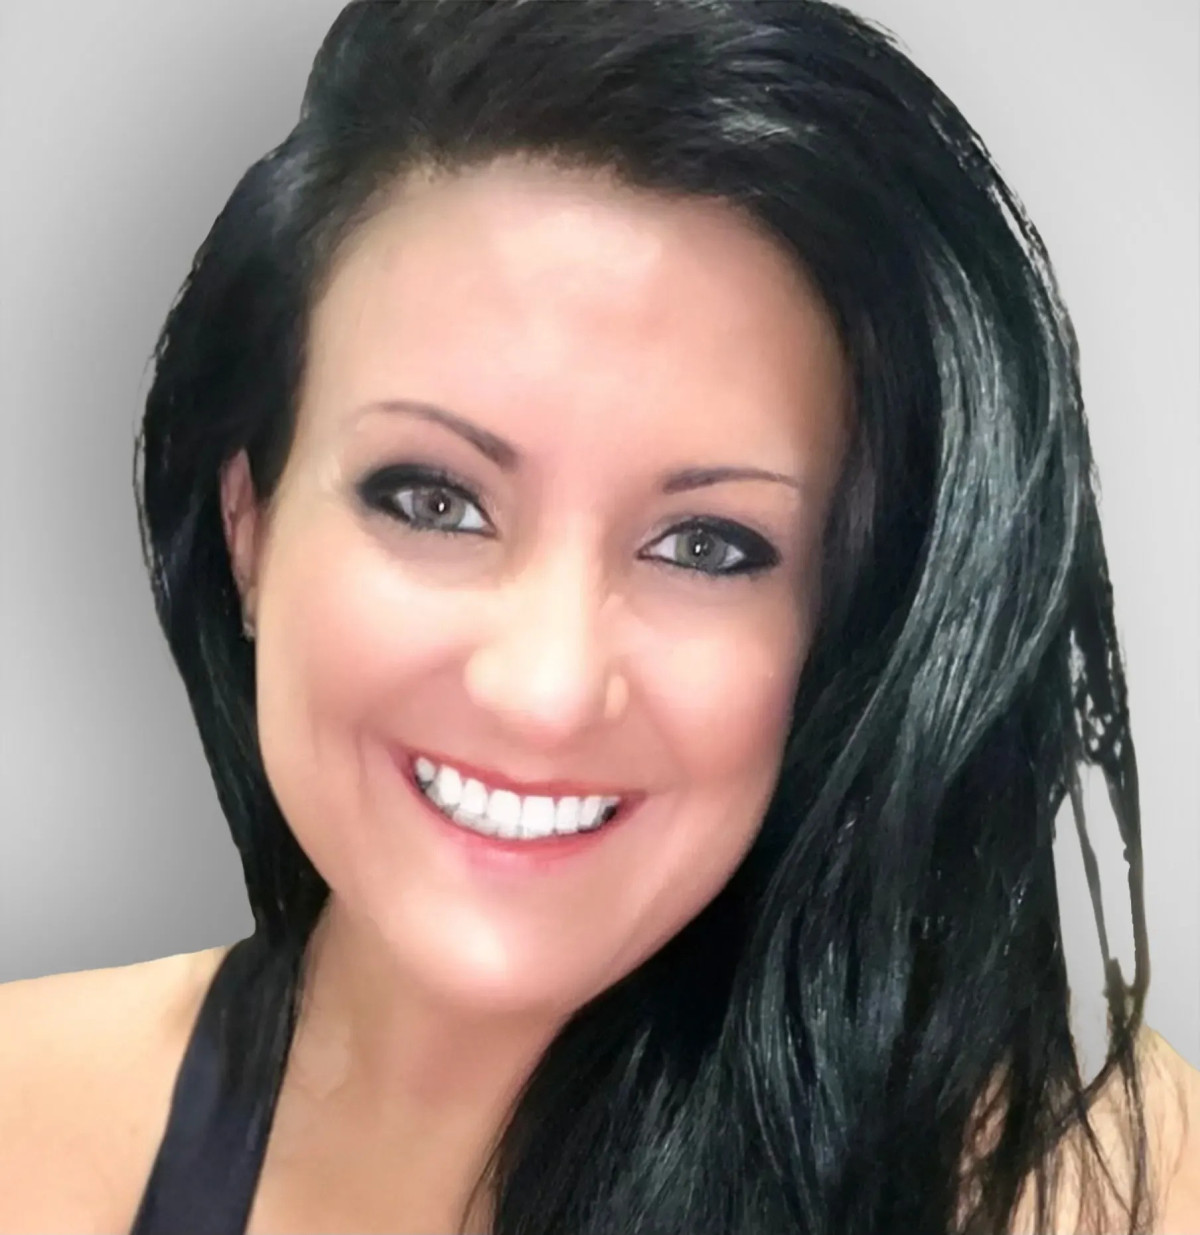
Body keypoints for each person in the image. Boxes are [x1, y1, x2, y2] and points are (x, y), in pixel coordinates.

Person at [0, 0, 1196, 1231]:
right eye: (435, 499)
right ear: (249, 525)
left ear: (838, 627)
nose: (548, 686)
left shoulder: (1080, 1181)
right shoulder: (20, 1121)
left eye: (707, 545)